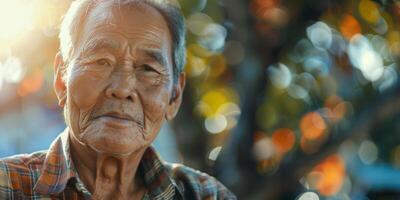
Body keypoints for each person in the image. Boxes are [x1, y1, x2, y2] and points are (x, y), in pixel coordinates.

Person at [0, 0, 236, 199]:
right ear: (62, 79)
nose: (122, 88)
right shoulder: (8, 186)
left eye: (147, 68)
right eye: (101, 62)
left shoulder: (207, 195)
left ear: (175, 96)